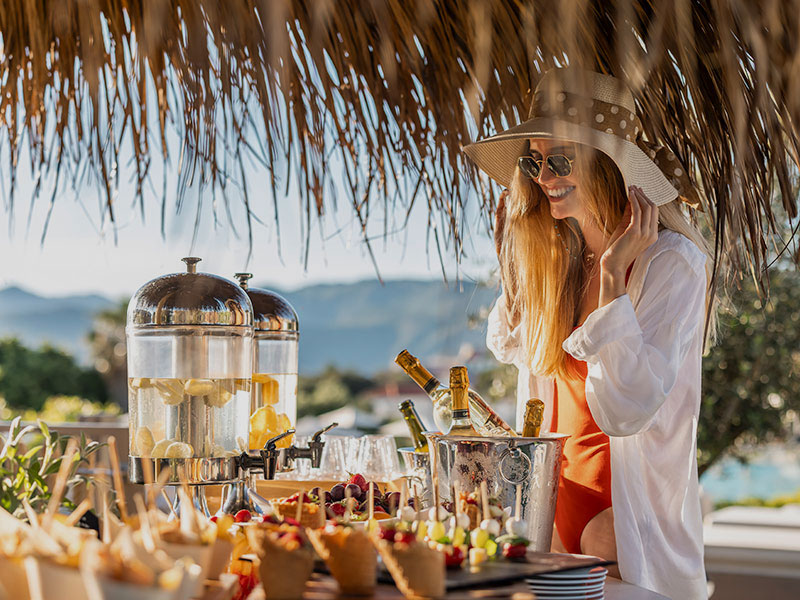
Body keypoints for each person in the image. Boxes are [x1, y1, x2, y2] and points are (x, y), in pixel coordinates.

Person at [463, 68, 714, 600]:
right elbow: (510, 347)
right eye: (533, 162)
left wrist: (610, 283)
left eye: (557, 159)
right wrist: (513, 269)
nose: (541, 175)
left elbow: (627, 408)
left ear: (606, 162)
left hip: (625, 528)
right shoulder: (563, 260)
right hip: (551, 511)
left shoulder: (673, 263)